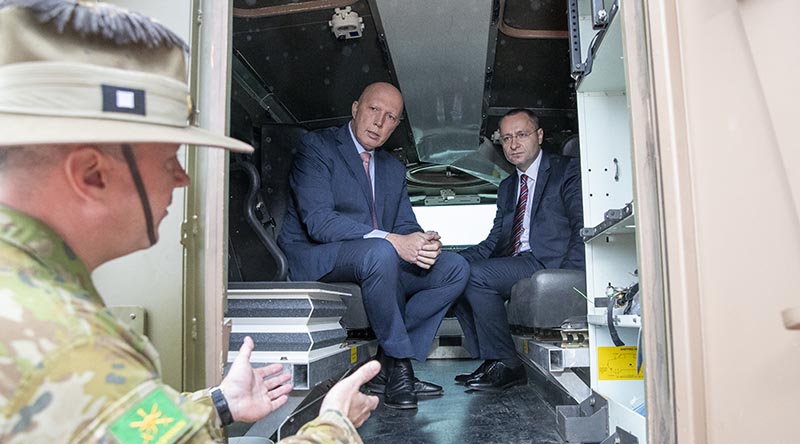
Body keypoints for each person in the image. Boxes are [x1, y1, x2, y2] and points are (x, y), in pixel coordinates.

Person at [0, 1, 379, 443]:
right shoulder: (71, 346)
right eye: (167, 160)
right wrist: (335, 424)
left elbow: (120, 428)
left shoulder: (36, 299)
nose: (181, 178)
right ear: (91, 174)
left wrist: (219, 405)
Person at [278, 82, 470, 410]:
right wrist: (393, 241)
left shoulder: (394, 169)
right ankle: (401, 366)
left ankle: (387, 366)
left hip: (377, 260)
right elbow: (320, 223)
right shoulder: (318, 147)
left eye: (391, 117)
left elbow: (404, 225)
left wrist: (423, 242)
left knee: (456, 268)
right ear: (355, 108)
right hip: (319, 256)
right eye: (374, 110)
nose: (380, 122)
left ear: (396, 126)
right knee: (381, 252)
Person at [453, 109, 584, 391]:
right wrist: (451, 260)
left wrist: (568, 275)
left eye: (522, 135)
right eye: (507, 138)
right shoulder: (508, 186)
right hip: (517, 260)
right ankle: (492, 359)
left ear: (539, 136)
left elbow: (581, 225)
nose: (513, 144)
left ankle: (508, 365)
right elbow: (493, 242)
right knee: (457, 273)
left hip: (548, 262)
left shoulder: (566, 170)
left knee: (475, 276)